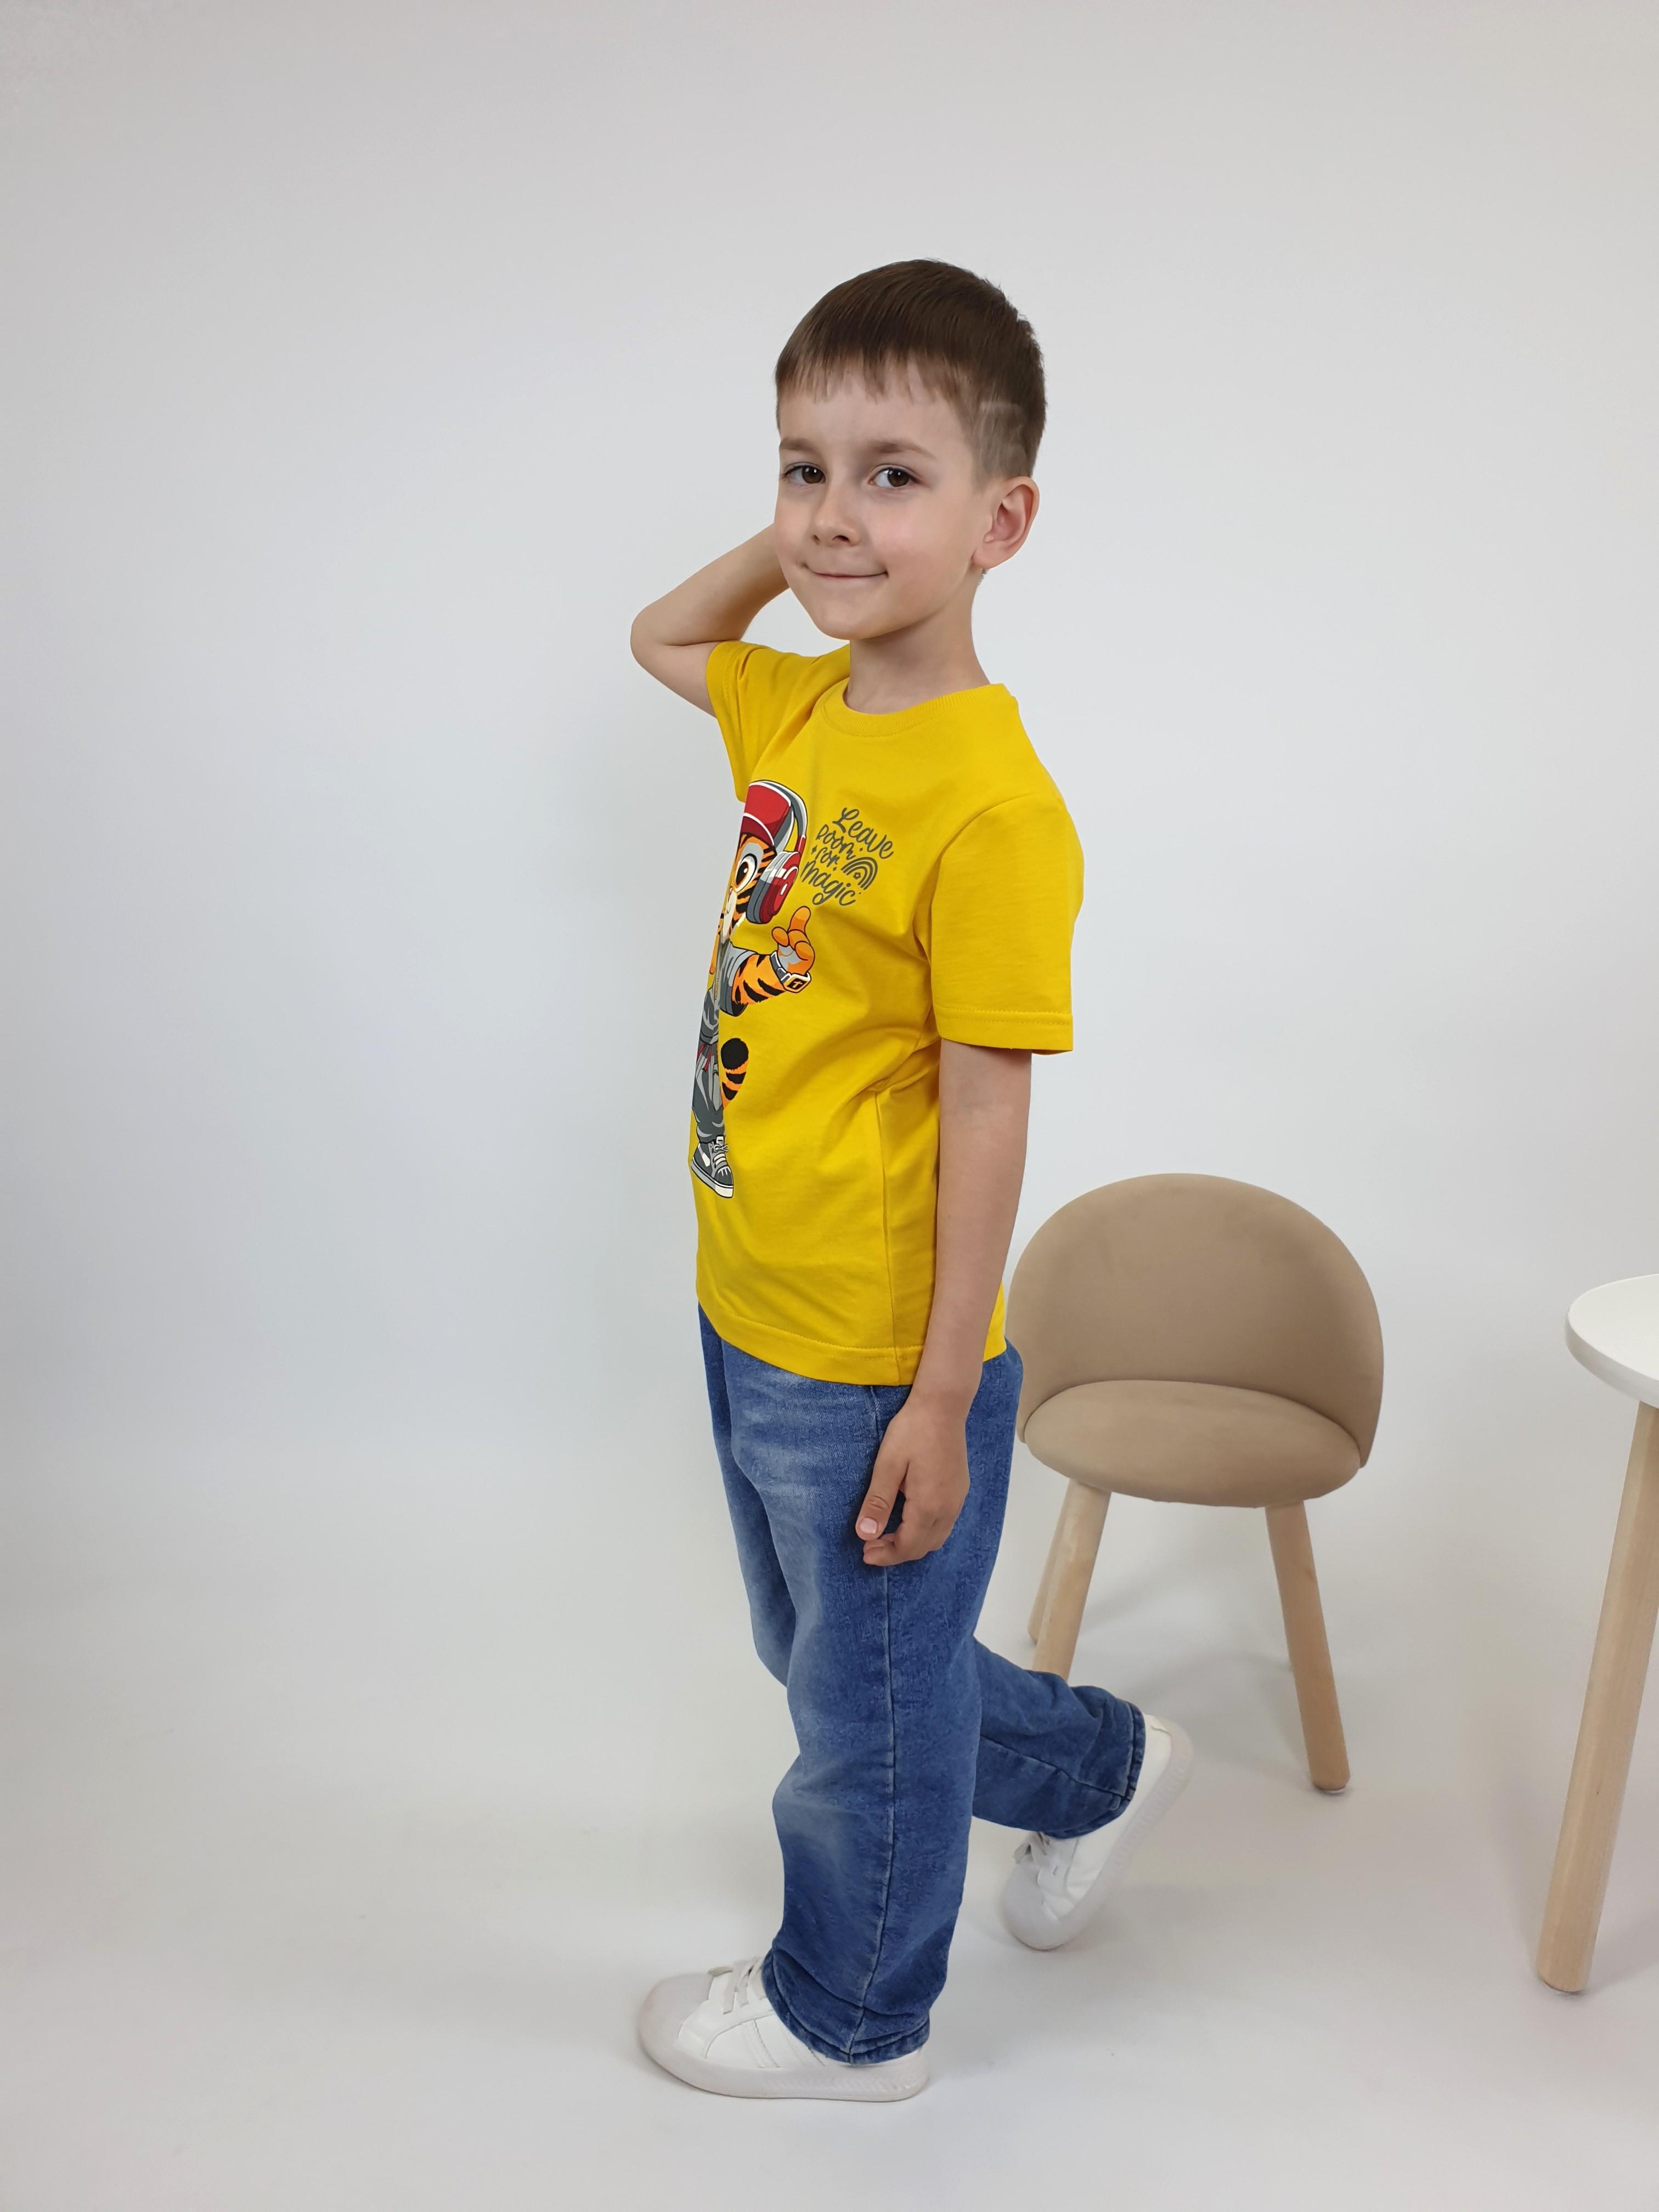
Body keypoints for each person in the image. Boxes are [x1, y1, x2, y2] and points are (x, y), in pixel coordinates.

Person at [629, 261, 1190, 2103]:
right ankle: (1099, 1768)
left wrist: (943, 1394)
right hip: (751, 1296)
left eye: (895, 476)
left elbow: (988, 1114)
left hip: (877, 1352)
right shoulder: (799, 713)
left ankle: (853, 2016)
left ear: (1002, 521)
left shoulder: (994, 807)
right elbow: (660, 635)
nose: (834, 514)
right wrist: (810, 539)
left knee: (860, 1713)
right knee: (837, 1661)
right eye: (806, 467)